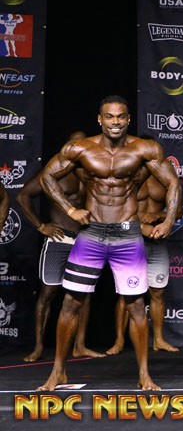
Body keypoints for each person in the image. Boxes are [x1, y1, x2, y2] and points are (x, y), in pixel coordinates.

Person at [36, 95, 181, 391]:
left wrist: (168, 221)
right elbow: (46, 177)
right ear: (100, 119)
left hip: (127, 235)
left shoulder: (144, 149)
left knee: (136, 305)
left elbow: (172, 182)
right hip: (91, 234)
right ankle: (58, 372)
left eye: (121, 116)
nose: (116, 122)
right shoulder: (81, 148)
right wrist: (69, 210)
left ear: (128, 119)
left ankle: (144, 375)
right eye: (110, 117)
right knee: (71, 302)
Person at [17, 133, 104, 362]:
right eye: (75, 144)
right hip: (59, 239)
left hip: (85, 240)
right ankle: (38, 347)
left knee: (84, 295)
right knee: (47, 294)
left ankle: (80, 345)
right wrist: (41, 226)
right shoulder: (53, 173)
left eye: (84, 144)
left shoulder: (92, 172)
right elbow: (23, 196)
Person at [107, 159, 183, 355]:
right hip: (130, 241)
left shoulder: (166, 180)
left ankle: (158, 339)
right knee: (126, 294)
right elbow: (115, 211)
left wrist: (158, 216)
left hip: (157, 242)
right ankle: (119, 340)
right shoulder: (129, 177)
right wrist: (141, 226)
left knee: (158, 292)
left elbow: (179, 212)